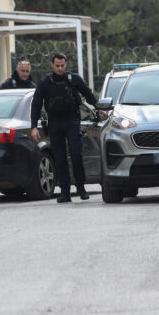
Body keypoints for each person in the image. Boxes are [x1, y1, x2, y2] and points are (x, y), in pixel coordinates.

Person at [30, 52, 97, 203]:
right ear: (52, 65)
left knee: (76, 153)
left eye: (62, 65)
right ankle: (65, 192)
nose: (60, 68)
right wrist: (33, 126)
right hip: (54, 123)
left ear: (65, 65)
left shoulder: (74, 79)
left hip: (72, 121)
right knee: (59, 158)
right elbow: (36, 104)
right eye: (57, 66)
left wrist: (99, 107)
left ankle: (81, 188)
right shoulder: (45, 83)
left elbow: (88, 93)